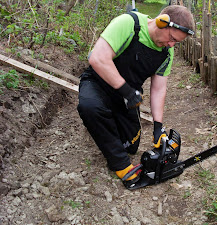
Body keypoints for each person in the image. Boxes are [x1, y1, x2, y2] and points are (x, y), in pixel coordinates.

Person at [77, 5, 195, 187]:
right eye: (171, 38)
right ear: (160, 22)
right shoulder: (128, 24)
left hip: (127, 97)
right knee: (90, 107)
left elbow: (158, 88)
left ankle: (105, 124)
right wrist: (126, 91)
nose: (172, 45)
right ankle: (121, 165)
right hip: (98, 83)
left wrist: (158, 127)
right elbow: (98, 58)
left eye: (176, 42)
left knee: (130, 146)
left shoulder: (166, 53)